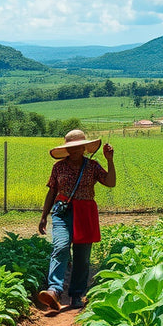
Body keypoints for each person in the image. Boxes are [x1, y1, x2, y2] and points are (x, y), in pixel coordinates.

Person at [37, 129, 116, 311]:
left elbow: (110, 182)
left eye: (77, 147)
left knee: (82, 257)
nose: (73, 151)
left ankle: (76, 295)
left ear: (83, 148)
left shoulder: (93, 166)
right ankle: (54, 290)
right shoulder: (58, 168)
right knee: (61, 246)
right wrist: (43, 216)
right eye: (70, 148)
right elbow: (52, 191)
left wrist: (110, 160)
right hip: (62, 211)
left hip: (85, 212)